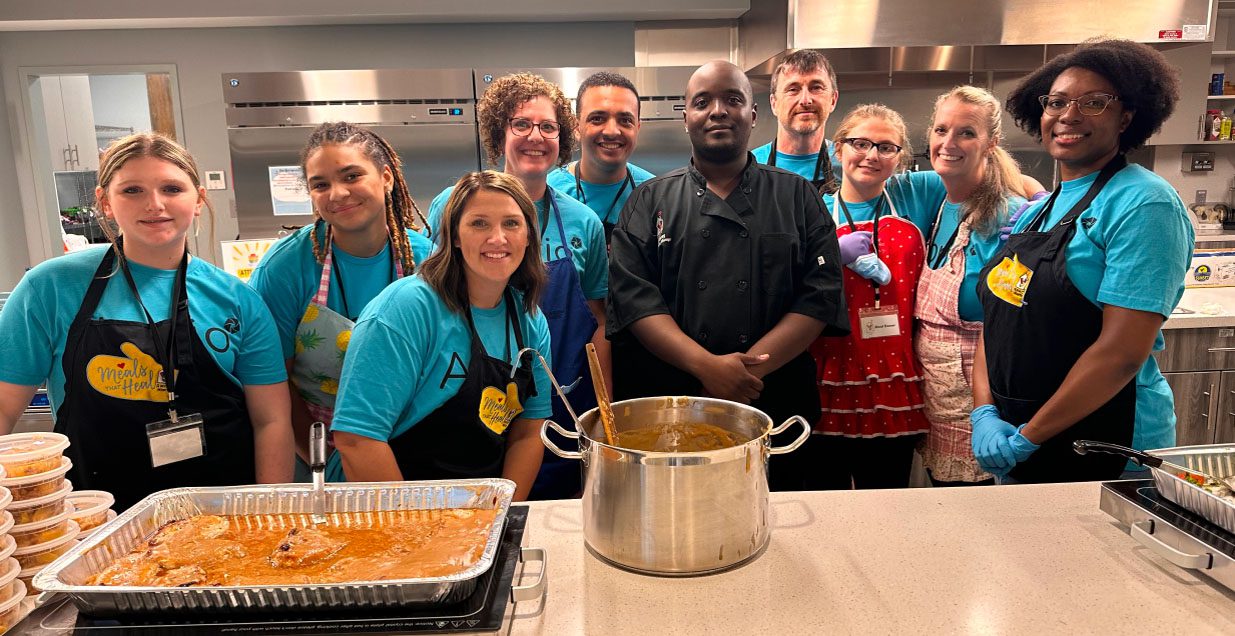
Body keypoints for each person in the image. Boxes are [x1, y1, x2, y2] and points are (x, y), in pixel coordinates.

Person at [0, 133, 293, 510]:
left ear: (199, 200)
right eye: (132, 190)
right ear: (105, 203)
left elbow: (271, 421)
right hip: (95, 516)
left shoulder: (237, 300)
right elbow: (6, 406)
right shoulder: (50, 288)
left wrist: (270, 512)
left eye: (172, 188)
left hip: (222, 517)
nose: (155, 204)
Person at [608, 60, 847, 491]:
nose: (718, 110)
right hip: (675, 402)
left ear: (753, 116)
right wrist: (708, 368)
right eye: (702, 102)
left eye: (732, 100)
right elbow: (635, 301)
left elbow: (819, 295)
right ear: (686, 118)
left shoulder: (796, 196)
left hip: (773, 397)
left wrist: (744, 374)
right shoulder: (648, 201)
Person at [972, 39, 1193, 483]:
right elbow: (996, 321)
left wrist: (1029, 437)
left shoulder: (1144, 203)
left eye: (1094, 103)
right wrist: (983, 412)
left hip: (1104, 443)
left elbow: (1122, 354)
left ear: (1126, 116)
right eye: (1056, 102)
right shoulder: (1037, 210)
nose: (1068, 116)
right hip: (1017, 435)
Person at [426, 73, 607, 500]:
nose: (535, 137)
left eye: (548, 127)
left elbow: (599, 320)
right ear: (497, 133)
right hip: (471, 397)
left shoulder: (583, 222)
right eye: (521, 124)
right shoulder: (449, 207)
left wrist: (604, 408)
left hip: (564, 402)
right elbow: (436, 303)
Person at [330, 171, 552, 501]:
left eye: (511, 224)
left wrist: (501, 513)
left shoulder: (529, 319)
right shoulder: (406, 310)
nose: (497, 238)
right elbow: (357, 441)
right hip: (389, 510)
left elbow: (529, 431)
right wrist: (421, 536)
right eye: (479, 223)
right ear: (455, 236)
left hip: (475, 511)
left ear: (529, 237)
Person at [248, 122, 434, 481]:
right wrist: (327, 460)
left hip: (409, 449)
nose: (337, 193)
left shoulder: (427, 263)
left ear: (386, 177)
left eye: (352, 176)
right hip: (316, 456)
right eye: (320, 184)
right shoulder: (286, 268)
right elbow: (275, 383)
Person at [911, 86, 1034, 487]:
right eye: (941, 130)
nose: (948, 143)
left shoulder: (1009, 217)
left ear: (991, 143)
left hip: (981, 405)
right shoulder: (944, 203)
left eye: (966, 133)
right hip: (939, 404)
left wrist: (986, 415)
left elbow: (1015, 320)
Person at [809, 104, 928, 490]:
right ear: (838, 149)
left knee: (889, 506)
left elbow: (982, 172)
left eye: (886, 147)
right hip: (826, 376)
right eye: (860, 143)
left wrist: (1032, 196)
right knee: (827, 505)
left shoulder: (917, 206)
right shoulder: (811, 213)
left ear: (900, 157)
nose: (872, 155)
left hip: (893, 379)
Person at [546, 71, 656, 240]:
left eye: (625, 120)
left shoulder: (653, 194)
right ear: (577, 128)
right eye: (597, 118)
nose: (612, 131)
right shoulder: (548, 192)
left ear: (637, 128)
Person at [752, 50, 843, 193]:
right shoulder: (750, 168)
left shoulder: (850, 166)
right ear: (774, 103)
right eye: (793, 89)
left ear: (833, 100)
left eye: (816, 87)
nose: (805, 100)